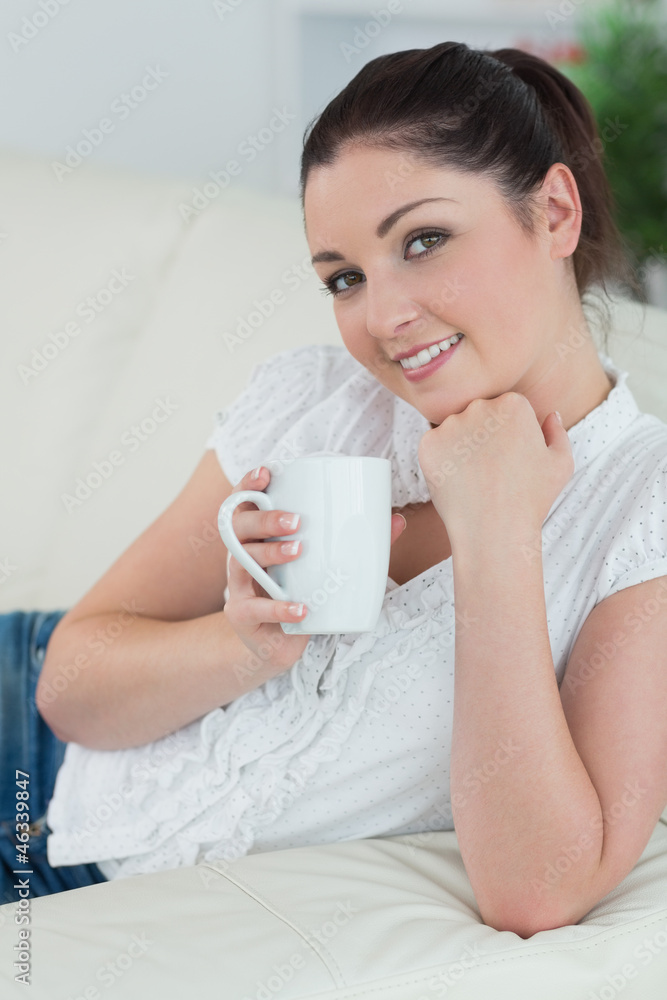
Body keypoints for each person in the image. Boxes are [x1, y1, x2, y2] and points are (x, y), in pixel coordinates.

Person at [2, 40, 666, 937]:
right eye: (344, 278)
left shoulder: (642, 510)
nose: (382, 318)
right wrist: (245, 647)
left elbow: (537, 889)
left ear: (552, 211)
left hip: (85, 906)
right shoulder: (319, 403)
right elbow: (67, 685)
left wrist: (496, 536)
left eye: (423, 241)